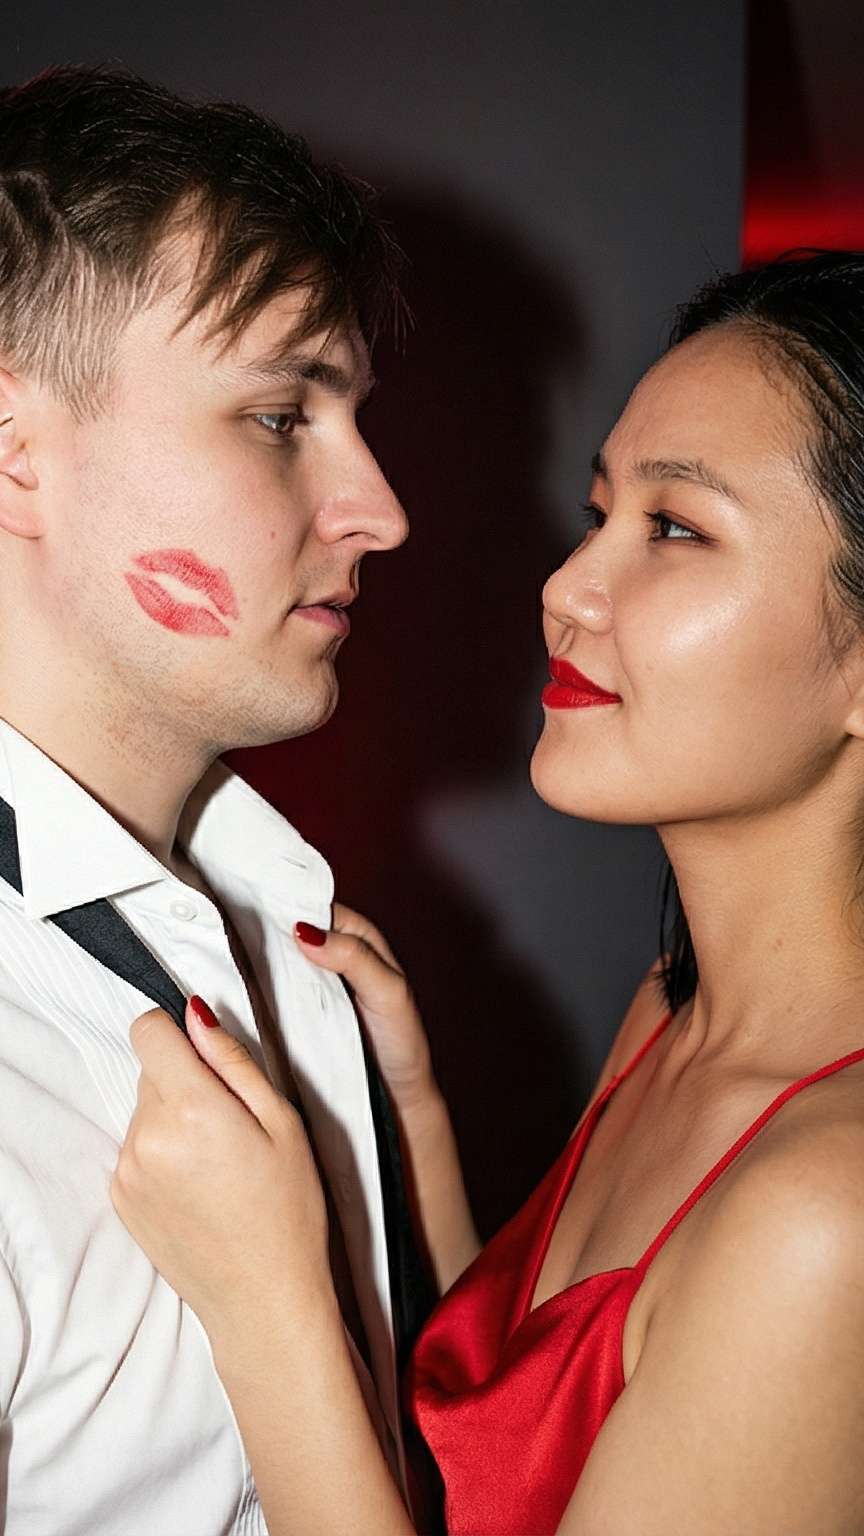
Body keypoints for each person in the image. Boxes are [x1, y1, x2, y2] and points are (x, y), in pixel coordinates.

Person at [115, 248, 864, 1536]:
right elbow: (519, 1436)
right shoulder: (677, 1016)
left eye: (677, 530)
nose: (565, 592)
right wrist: (407, 1110)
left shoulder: (827, 1223)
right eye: (599, 513)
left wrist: (269, 1301)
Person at [0, 62, 423, 1535]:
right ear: (13, 457)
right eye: (280, 416)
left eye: (351, 416)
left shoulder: (291, 938)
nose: (381, 510)